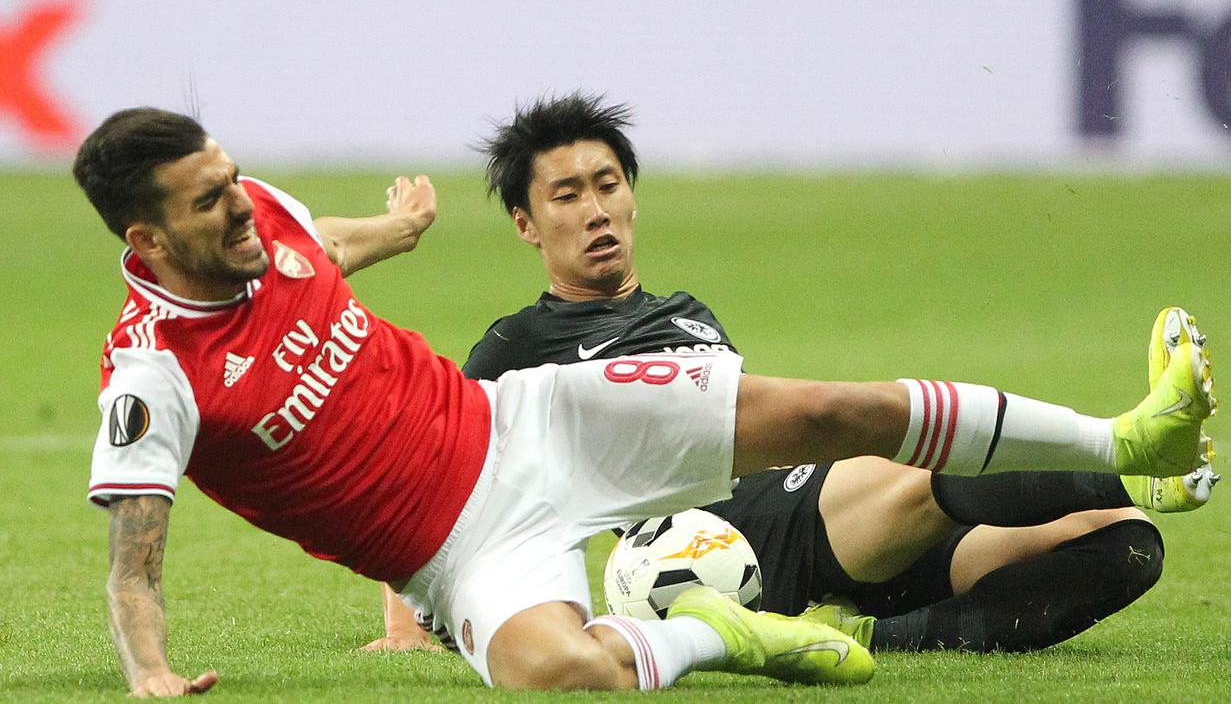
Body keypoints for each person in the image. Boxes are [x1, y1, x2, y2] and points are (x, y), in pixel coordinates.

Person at [75, 106, 1215, 696]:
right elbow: (135, 564)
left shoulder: (259, 214)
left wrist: (398, 229)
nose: (239, 210)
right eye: (207, 203)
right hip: (458, 549)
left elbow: (310, 246)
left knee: (821, 408)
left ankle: (1128, 432)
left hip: (535, 422)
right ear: (146, 238)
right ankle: (710, 635)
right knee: (550, 672)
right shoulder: (153, 377)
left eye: (233, 182)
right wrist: (150, 674)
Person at [362, 93, 1219, 655]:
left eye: (608, 184)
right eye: (565, 196)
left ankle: (862, 636)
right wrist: (406, 622)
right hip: (730, 538)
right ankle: (1142, 461)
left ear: (631, 193)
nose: (595, 211)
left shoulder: (684, 311)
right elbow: (434, 469)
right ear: (525, 224)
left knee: (1119, 548)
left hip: (818, 517)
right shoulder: (521, 344)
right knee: (923, 469)